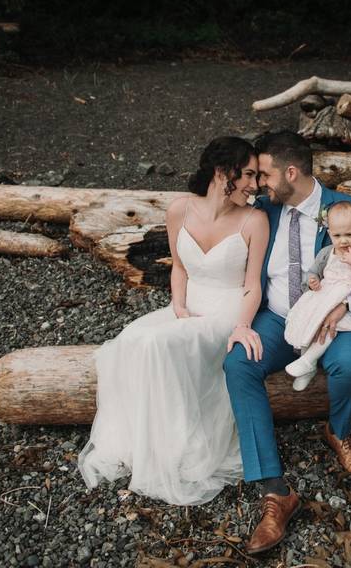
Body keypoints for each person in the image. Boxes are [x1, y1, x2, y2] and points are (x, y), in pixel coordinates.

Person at [224, 131, 351, 554]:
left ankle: (338, 431)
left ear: (291, 172)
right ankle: (275, 490)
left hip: (333, 322)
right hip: (277, 319)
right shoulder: (264, 209)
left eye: (265, 174)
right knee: (237, 365)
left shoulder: (350, 211)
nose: (259, 184)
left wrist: (349, 306)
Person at [78, 137, 269, 506]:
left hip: (227, 313)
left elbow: (252, 285)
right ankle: (148, 440)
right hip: (187, 308)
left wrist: (243, 326)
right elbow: (179, 268)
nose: (255, 185)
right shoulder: (179, 209)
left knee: (157, 344)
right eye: (247, 175)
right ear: (221, 172)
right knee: (130, 338)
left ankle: (181, 447)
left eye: (257, 177)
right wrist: (178, 308)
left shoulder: (254, 220)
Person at [284, 201, 351, 391]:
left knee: (329, 325)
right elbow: (313, 271)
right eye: (337, 235)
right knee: (308, 322)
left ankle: (309, 359)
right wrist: (313, 280)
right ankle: (307, 366)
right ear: (330, 234)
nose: (343, 241)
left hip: (343, 300)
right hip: (323, 295)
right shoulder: (326, 253)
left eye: (349, 235)